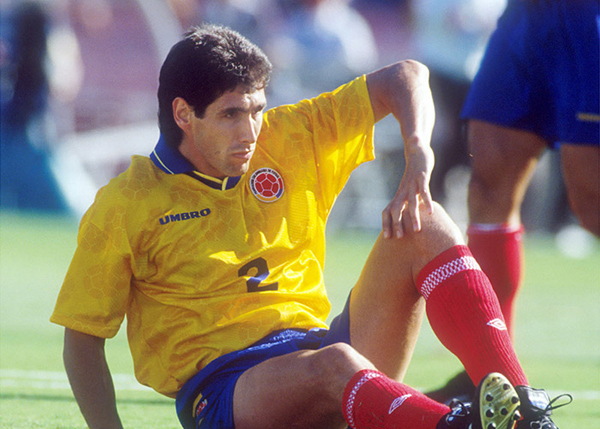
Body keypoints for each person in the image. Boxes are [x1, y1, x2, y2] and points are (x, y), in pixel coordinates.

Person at [51, 24, 568, 429]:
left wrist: (419, 155)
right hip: (227, 392)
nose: (251, 131)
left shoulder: (287, 136)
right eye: (231, 114)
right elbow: (83, 340)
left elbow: (406, 76)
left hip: (325, 349)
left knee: (424, 219)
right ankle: (450, 426)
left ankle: (525, 412)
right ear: (184, 114)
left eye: (257, 109)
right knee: (335, 363)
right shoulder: (126, 203)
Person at [427, 0, 599, 404]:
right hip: (526, 19)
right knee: (486, 184)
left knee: (592, 203)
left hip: (587, 19)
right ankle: (491, 373)